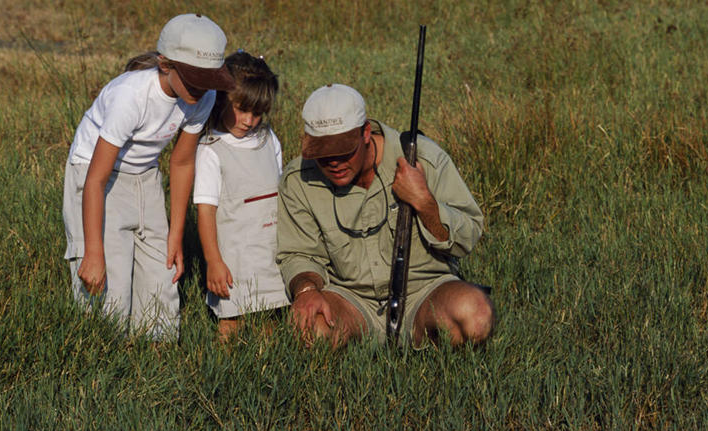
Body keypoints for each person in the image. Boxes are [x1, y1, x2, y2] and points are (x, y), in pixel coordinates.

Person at [276, 83, 494, 348]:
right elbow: (298, 254)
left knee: (477, 316)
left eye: (344, 150)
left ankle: (431, 353)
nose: (333, 162)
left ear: (366, 132)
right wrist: (306, 291)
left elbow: (468, 237)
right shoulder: (298, 179)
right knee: (310, 329)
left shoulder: (421, 156)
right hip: (349, 299)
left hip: (424, 292)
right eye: (323, 154)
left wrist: (425, 202)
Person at [62, 14, 235, 340]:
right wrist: (93, 252)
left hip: (145, 176)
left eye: (208, 80)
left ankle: (154, 356)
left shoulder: (204, 96)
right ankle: (100, 352)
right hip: (96, 177)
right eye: (194, 79)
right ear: (165, 64)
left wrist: (175, 234)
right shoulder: (131, 96)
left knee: (163, 273)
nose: (201, 89)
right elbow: (96, 179)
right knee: (107, 284)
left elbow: (182, 163)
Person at [193, 50, 288, 342]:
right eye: (242, 109)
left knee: (270, 321)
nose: (249, 120)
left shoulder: (268, 139)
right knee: (231, 325)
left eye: (258, 113)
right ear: (223, 99)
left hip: (270, 250)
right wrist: (213, 261)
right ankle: (221, 377)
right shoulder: (211, 150)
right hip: (233, 257)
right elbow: (206, 212)